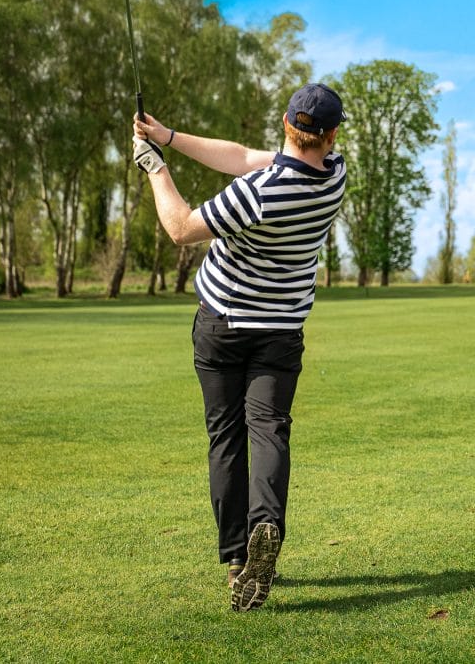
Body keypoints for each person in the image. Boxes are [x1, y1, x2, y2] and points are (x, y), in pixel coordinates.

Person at [132, 83, 347, 612]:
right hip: (281, 331)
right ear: (331, 134)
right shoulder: (335, 173)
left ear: (285, 121)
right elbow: (244, 158)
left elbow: (182, 229)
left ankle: (236, 560)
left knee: (225, 436)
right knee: (269, 430)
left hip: (224, 325)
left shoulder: (258, 194)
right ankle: (266, 525)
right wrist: (169, 137)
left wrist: (155, 166)